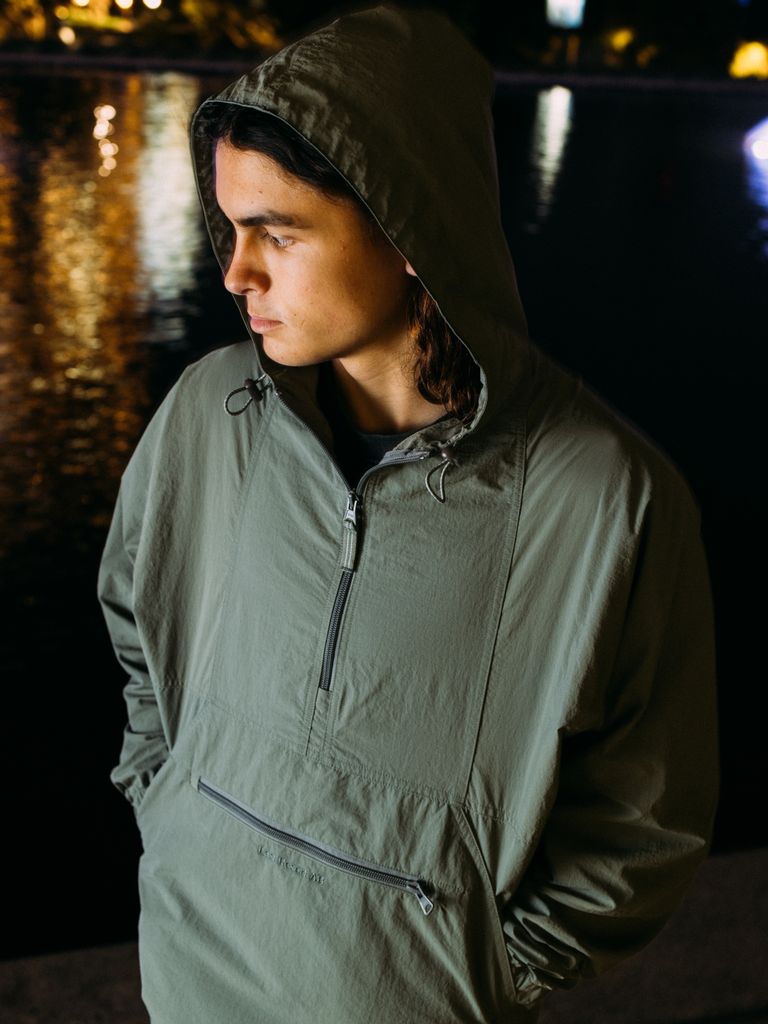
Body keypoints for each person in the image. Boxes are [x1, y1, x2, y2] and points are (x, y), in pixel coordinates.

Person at [98, 4, 719, 1022]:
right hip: (189, 980)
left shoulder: (608, 499)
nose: (235, 272)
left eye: (277, 233)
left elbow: (644, 814)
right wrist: (170, 805)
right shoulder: (209, 411)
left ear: (408, 229)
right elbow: (137, 618)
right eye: (232, 227)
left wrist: (493, 966)